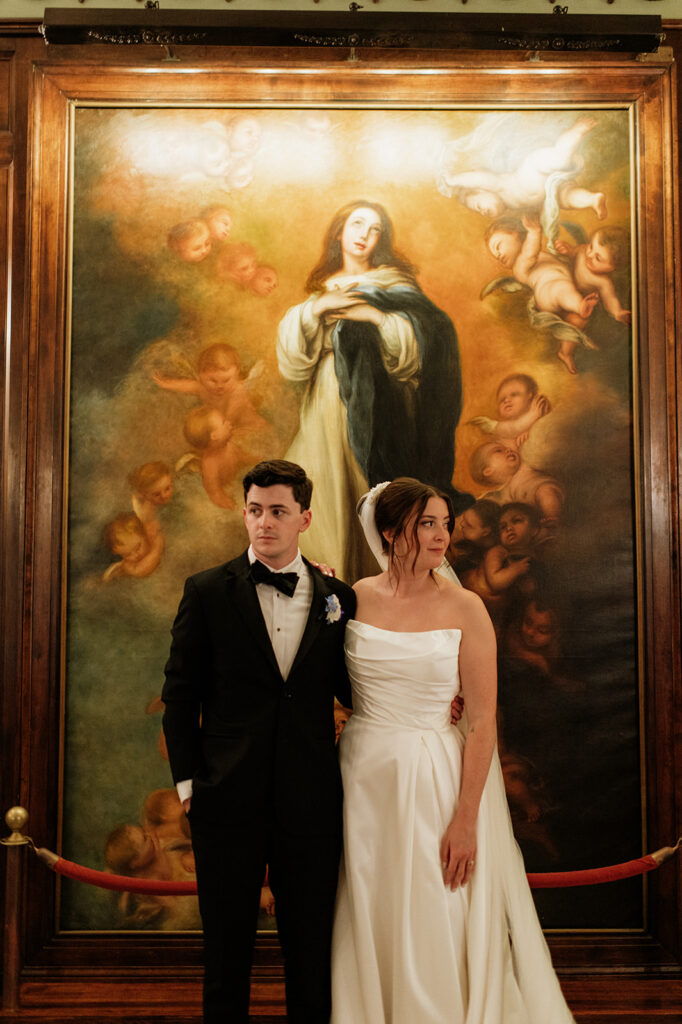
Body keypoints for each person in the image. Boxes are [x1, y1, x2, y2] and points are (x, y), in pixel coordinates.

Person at [330, 477, 575, 1023]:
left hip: (433, 778)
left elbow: (483, 721)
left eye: (445, 523)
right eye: (427, 524)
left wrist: (466, 819)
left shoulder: (465, 607)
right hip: (362, 776)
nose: (442, 535)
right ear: (389, 531)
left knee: (434, 905)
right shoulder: (353, 598)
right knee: (371, 901)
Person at [161, 459, 356, 1024]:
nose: (264, 522)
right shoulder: (206, 591)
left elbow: (357, 688)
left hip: (311, 802)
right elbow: (180, 695)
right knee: (226, 957)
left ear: (304, 518)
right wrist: (189, 787)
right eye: (254, 510)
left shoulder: (338, 598)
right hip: (225, 799)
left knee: (311, 955)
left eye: (277, 511)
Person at [276, 199, 472, 581]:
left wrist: (375, 317)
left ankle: (378, 592)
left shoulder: (394, 286)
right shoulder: (323, 292)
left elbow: (423, 349)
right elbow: (293, 362)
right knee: (323, 495)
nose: (364, 235)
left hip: (376, 411)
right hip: (325, 407)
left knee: (369, 494)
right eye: (357, 224)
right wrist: (317, 309)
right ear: (340, 231)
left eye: (374, 229)